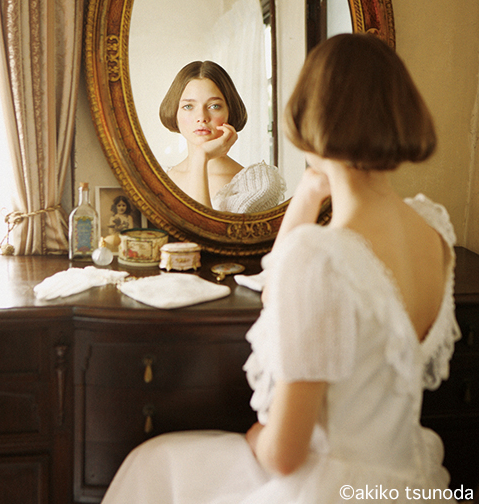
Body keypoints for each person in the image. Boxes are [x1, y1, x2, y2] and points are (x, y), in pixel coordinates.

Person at [101, 34, 462, 504]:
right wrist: (310, 192)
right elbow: (280, 289)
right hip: (404, 478)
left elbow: (284, 455)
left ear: (308, 119)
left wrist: (255, 437)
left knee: (153, 461)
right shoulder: (433, 231)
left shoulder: (320, 256)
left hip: (327, 488)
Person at [159, 60, 285, 213]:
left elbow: (202, 226)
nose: (201, 117)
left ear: (229, 112)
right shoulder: (159, 179)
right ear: (175, 113)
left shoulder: (257, 184)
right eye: (188, 106)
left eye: (214, 106)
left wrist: (201, 156)